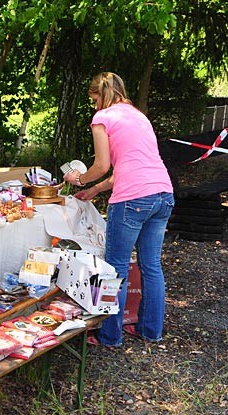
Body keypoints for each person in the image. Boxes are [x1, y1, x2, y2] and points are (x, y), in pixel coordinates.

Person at [62, 72, 174, 347]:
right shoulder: (139, 117)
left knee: (116, 267)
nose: (94, 105)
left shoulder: (103, 118)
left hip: (132, 200)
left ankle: (110, 336)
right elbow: (126, 168)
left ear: (101, 95)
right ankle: (151, 331)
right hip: (163, 194)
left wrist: (79, 179)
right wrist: (94, 190)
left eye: (94, 99)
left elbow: (102, 166)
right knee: (151, 265)